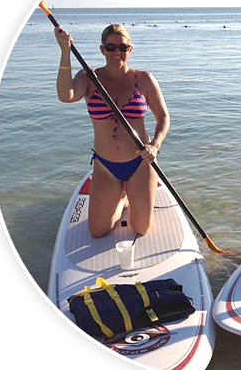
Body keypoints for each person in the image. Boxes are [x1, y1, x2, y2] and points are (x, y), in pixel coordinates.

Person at [55, 23, 170, 238]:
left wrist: (155, 145)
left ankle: (133, 195)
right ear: (102, 50)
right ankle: (123, 198)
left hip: (141, 163)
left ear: (130, 49)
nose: (117, 52)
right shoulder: (89, 78)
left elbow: (163, 117)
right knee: (98, 231)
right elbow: (66, 95)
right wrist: (65, 51)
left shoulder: (144, 79)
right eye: (110, 47)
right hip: (106, 166)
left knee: (141, 229)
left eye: (123, 48)